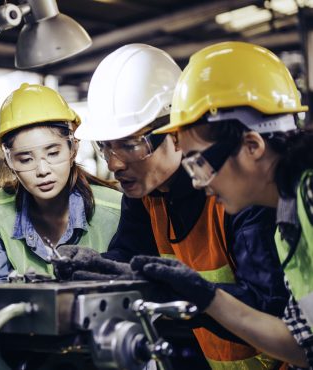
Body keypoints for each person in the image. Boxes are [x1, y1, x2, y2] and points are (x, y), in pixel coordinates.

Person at [68, 44, 289, 369]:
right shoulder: (146, 195)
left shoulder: (245, 194)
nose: (114, 164)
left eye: (130, 145)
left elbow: (275, 314)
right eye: (105, 148)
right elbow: (131, 261)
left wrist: (183, 293)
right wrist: (96, 272)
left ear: (174, 134)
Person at [132, 41, 313, 368]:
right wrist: (204, 295)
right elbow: (303, 345)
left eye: (198, 164)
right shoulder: (287, 224)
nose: (199, 183)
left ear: (252, 145)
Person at [0, 83, 122, 281]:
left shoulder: (118, 210)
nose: (42, 170)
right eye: (26, 159)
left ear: (73, 149)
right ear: (9, 162)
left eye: (53, 153)